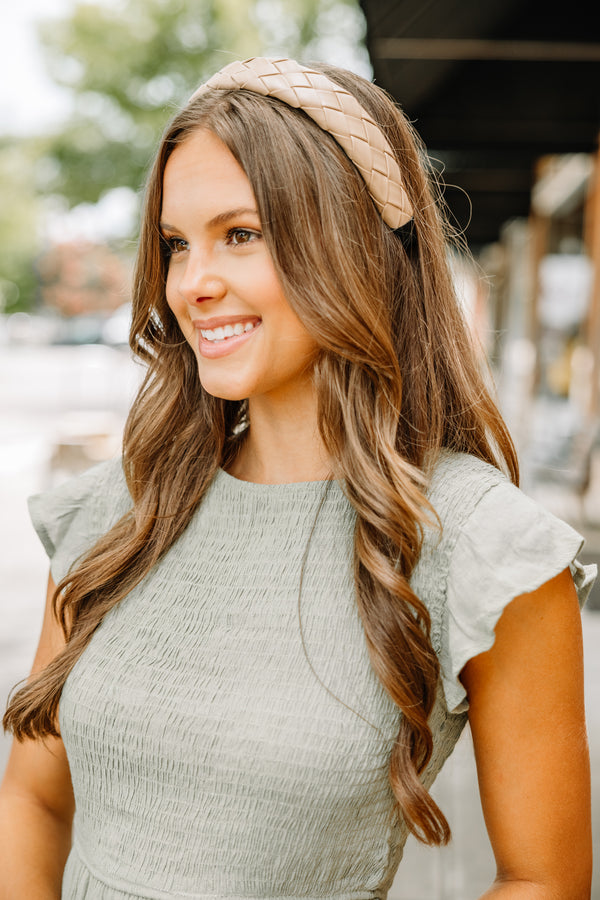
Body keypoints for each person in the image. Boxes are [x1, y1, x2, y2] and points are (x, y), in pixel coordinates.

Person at [0, 57, 595, 899]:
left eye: (240, 235)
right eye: (176, 244)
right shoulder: (119, 508)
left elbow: (544, 879)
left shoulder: (486, 548)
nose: (193, 284)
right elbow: (32, 797)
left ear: (352, 241)